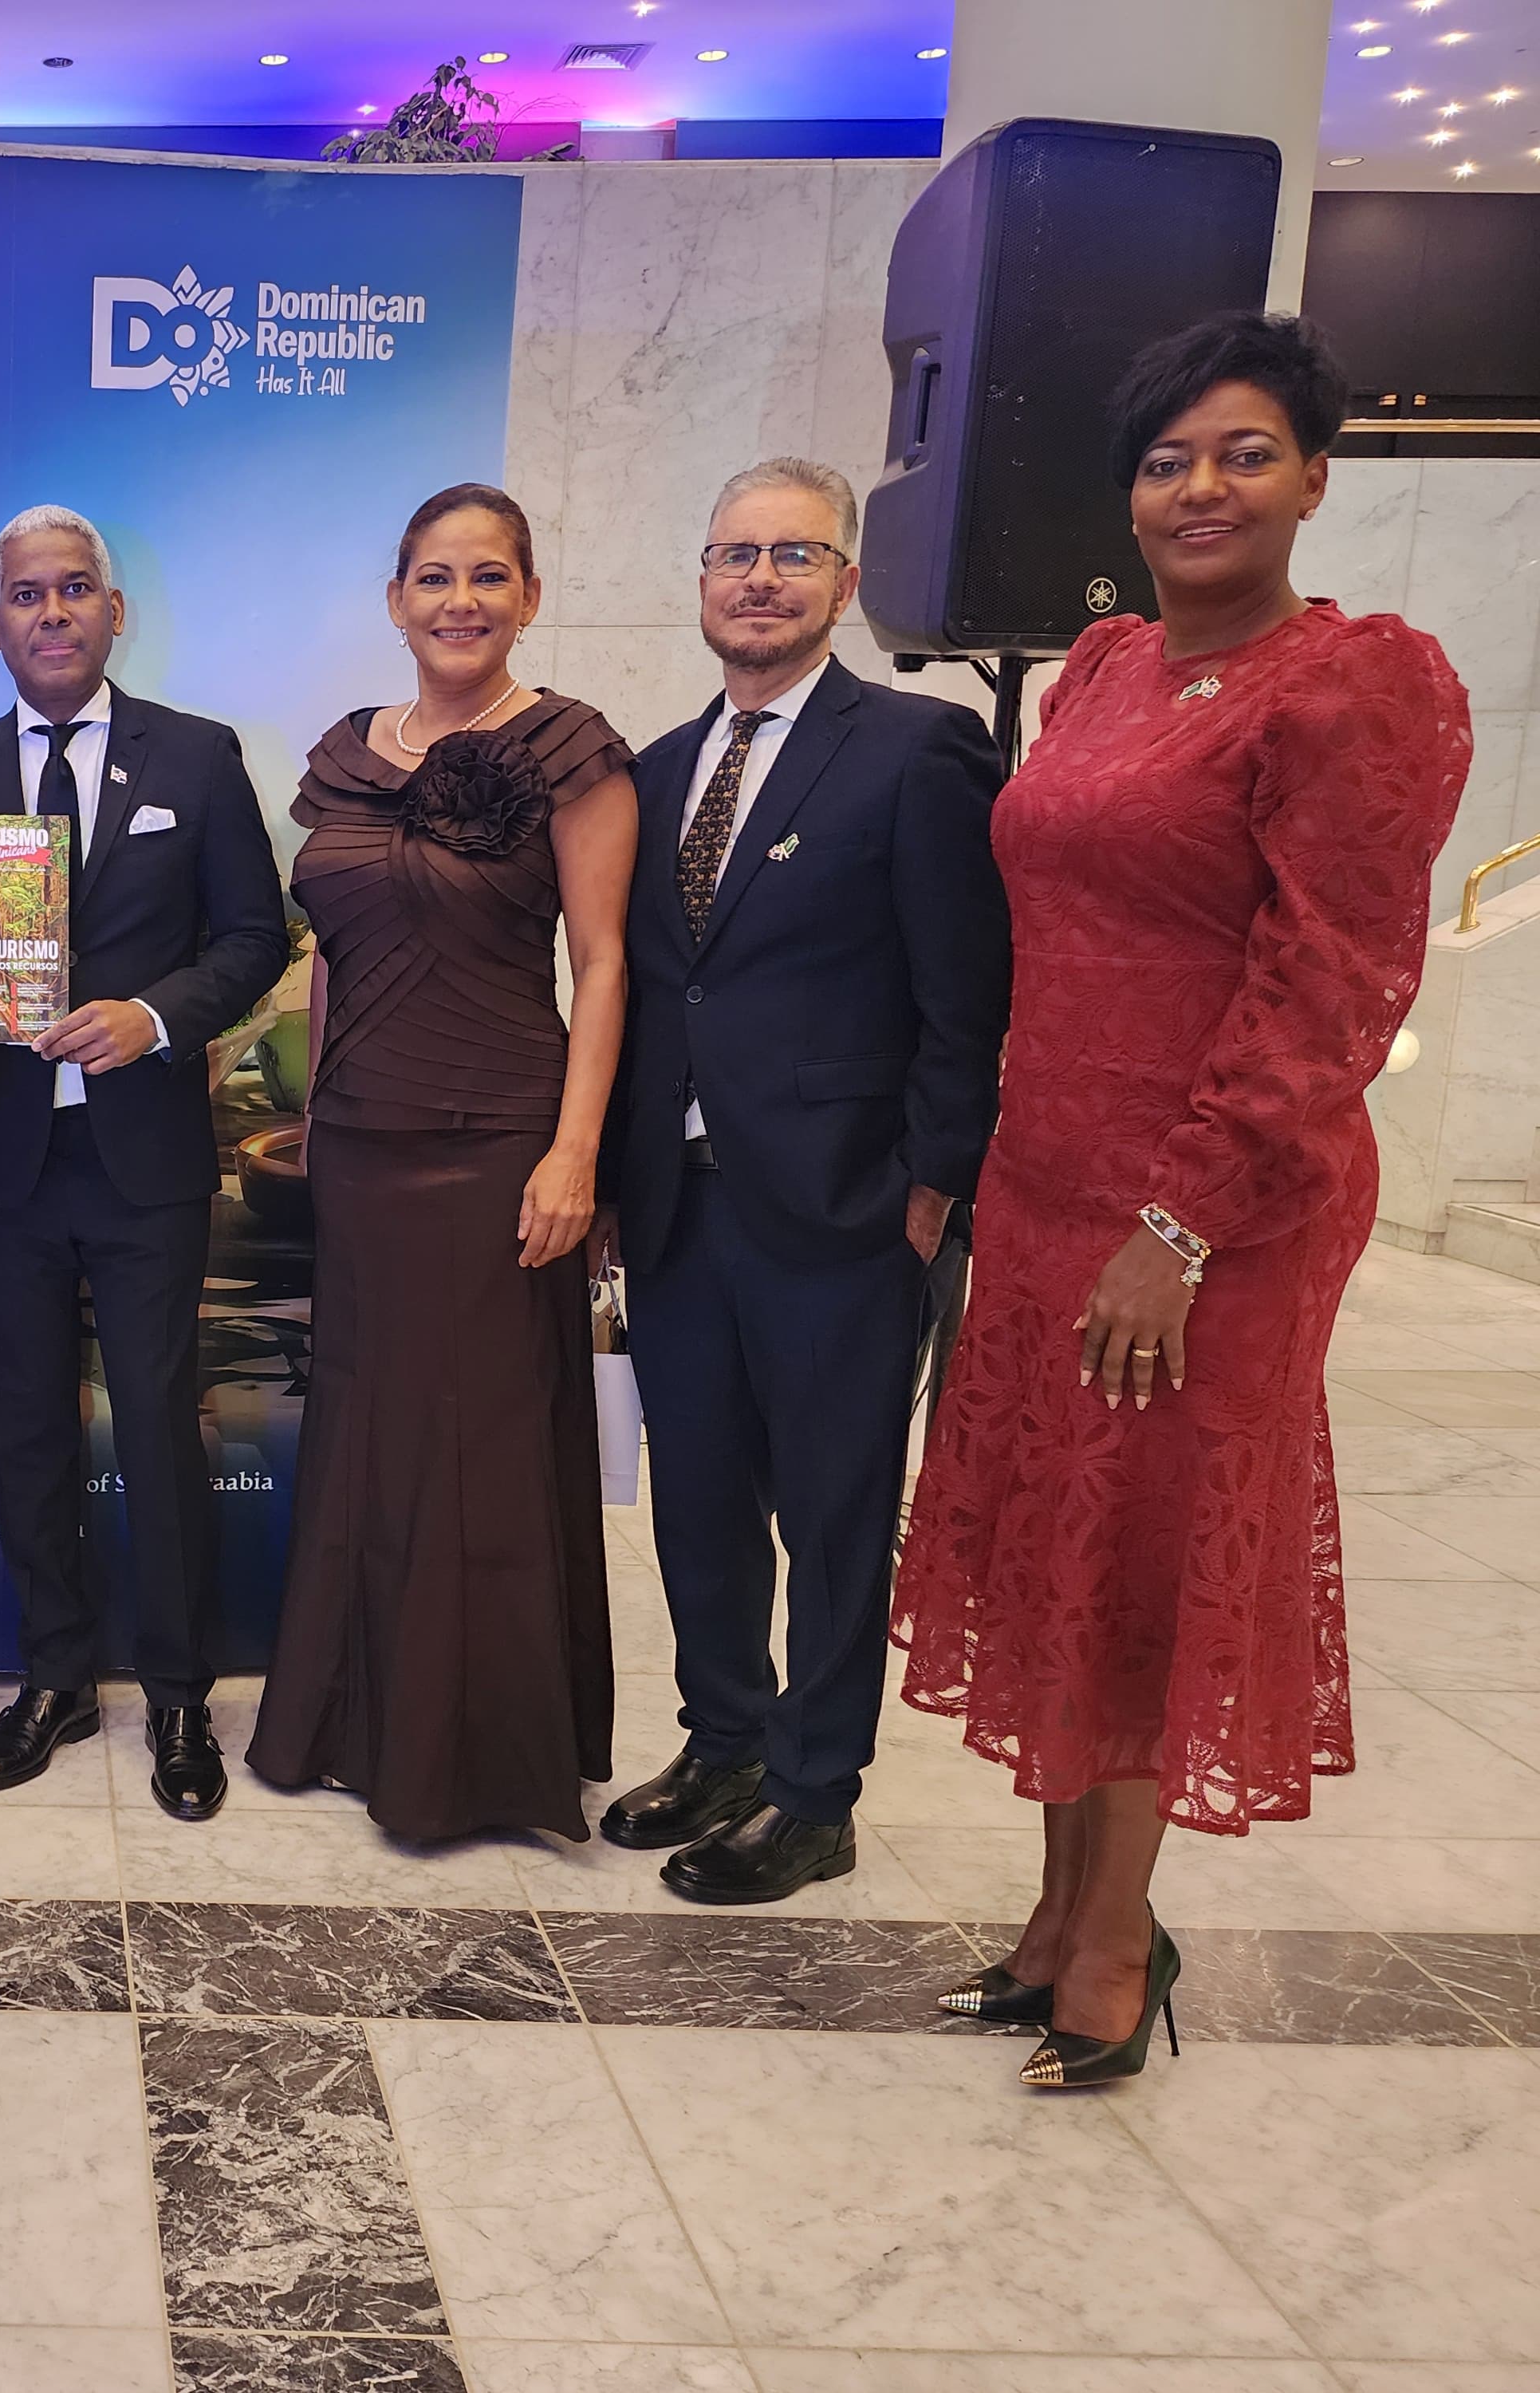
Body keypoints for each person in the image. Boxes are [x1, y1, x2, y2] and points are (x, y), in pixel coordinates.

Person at [895, 313, 1471, 2086]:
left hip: (1210, 1214)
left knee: (1143, 1559)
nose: (1200, 487)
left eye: (1243, 454)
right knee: (1057, 1551)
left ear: (1312, 480)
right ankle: (1056, 1911)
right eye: (1166, 460)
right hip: (1047, 1180)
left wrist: (1180, 1225)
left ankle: (1113, 1946)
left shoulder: (1352, 684)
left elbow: (1332, 984)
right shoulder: (1103, 666)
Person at [597, 458, 1011, 1902]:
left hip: (846, 1203)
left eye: (793, 555)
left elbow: (968, 990)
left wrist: (936, 1180)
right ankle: (722, 1741)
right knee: (700, 1497)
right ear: (702, 579)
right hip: (679, 1201)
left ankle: (814, 1791)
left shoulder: (917, 747)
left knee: (834, 1511)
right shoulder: (656, 769)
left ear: (847, 582)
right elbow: (657, 989)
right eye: (736, 555)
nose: (759, 580)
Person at [0, 506, 289, 1823]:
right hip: (5, 1159)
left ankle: (178, 1697)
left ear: (114, 612)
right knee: (28, 1428)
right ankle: (54, 1677)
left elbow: (254, 937)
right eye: (26, 594)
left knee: (163, 1429)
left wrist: (156, 1018)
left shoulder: (199, 754)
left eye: (74, 590)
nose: (51, 613)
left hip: (145, 1158)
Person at [246, 483, 636, 1840]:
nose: (459, 600)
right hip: (359, 1144)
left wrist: (576, 1155)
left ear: (528, 597)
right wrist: (315, 1109)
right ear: (396, 600)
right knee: (367, 1432)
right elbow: (333, 955)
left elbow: (604, 964)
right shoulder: (347, 753)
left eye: (487, 576)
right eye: (433, 577)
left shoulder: (571, 748)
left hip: (496, 1144)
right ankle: (351, 1720)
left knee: (479, 1445)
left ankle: (469, 1764)